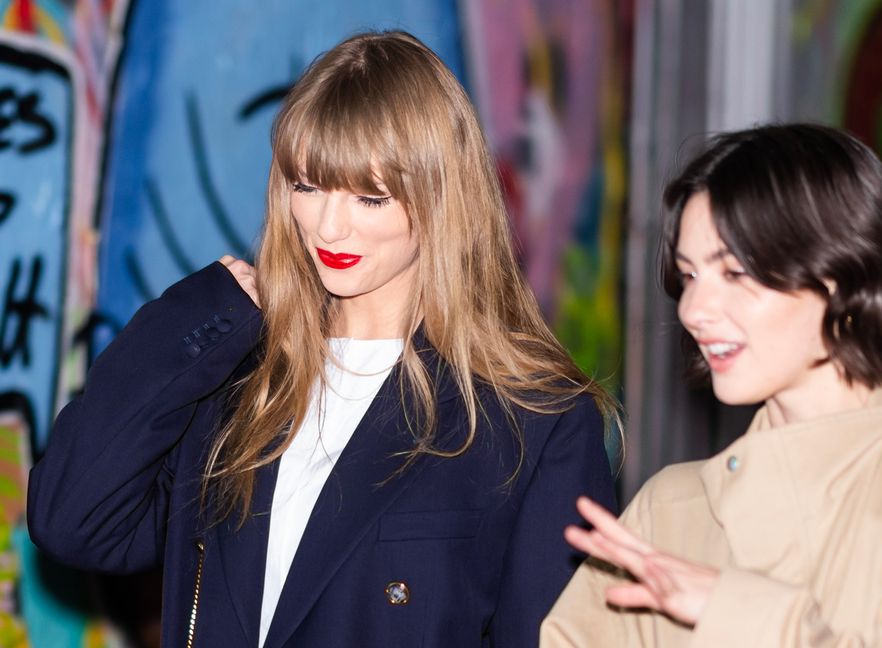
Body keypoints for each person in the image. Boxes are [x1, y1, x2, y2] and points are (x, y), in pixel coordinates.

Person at [27, 31, 618, 647]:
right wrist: (189, 321)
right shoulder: (236, 382)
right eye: (307, 186)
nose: (329, 226)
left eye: (370, 196)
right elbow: (72, 521)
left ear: (443, 200)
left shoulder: (530, 421)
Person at [541, 123, 882, 646]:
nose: (693, 310)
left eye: (735, 274)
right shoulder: (671, 508)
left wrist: (733, 611)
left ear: (843, 274)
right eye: (690, 276)